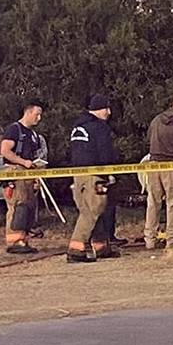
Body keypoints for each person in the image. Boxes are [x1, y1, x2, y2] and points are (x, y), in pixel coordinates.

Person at [67, 93, 119, 263]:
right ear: (99, 109)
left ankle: (101, 246)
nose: (109, 112)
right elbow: (105, 153)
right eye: (106, 108)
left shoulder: (78, 127)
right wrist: (108, 173)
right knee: (93, 210)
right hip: (94, 175)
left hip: (78, 174)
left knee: (92, 210)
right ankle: (76, 248)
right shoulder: (100, 128)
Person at [0, 98, 47, 254]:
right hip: (15, 171)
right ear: (28, 112)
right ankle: (14, 242)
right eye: (37, 114)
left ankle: (23, 240)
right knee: (18, 206)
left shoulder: (33, 135)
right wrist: (22, 162)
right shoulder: (14, 130)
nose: (39, 118)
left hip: (28, 174)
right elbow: (5, 151)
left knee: (27, 207)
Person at [144, 96, 173, 249]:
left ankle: (149, 239)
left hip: (153, 165)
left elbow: (148, 139)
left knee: (153, 203)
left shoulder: (156, 120)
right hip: (171, 167)